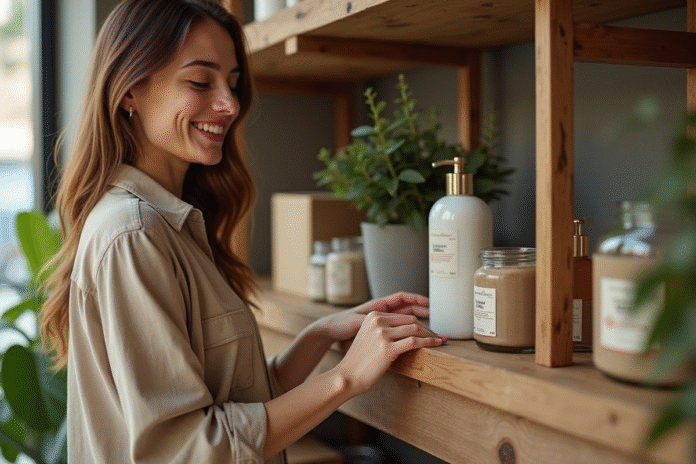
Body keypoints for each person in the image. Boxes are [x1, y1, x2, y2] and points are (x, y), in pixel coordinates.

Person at [40, 0, 446, 462]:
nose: (230, 104)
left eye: (232, 83)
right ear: (129, 89)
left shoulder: (169, 223)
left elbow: (228, 400)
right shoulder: (134, 234)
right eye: (200, 81)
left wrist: (317, 337)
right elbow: (191, 447)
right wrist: (346, 379)